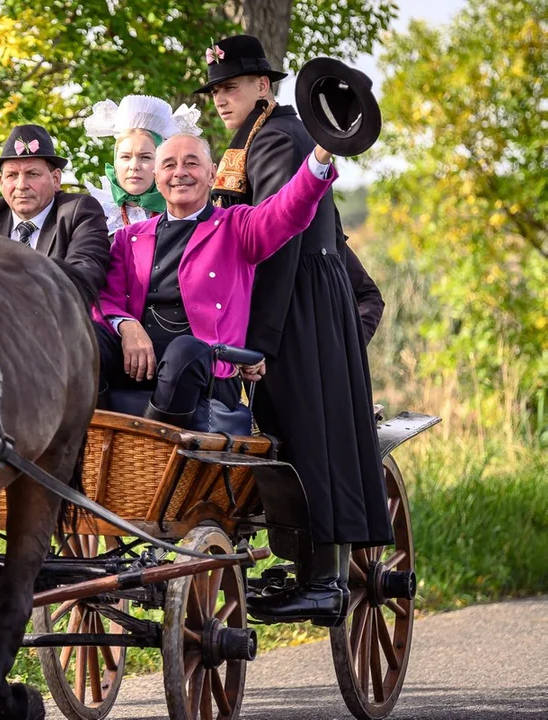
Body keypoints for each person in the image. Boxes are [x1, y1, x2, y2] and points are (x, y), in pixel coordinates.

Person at [197, 34, 390, 625]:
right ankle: (305, 567)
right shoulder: (255, 137)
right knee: (290, 429)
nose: (221, 99)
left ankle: (323, 583)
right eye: (216, 91)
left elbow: (278, 244)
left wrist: (258, 344)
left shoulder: (278, 137)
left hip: (298, 302)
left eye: (231, 87)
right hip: (302, 297)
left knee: (305, 432)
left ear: (263, 85)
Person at [94, 132, 338, 429]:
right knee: (87, 338)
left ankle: (150, 443)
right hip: (137, 366)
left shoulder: (236, 227)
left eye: (191, 163)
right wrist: (127, 326)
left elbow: (286, 211)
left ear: (212, 174)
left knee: (185, 351)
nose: (180, 173)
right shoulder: (127, 238)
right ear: (157, 178)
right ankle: (93, 436)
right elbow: (106, 300)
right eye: (169, 165)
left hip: (206, 371)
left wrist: (321, 156)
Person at [0, 124, 110, 296]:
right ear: (1, 181)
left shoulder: (79, 211)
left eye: (32, 174)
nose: (21, 185)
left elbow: (84, 274)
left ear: (56, 179)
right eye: (12, 175)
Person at [81, 95, 203, 237]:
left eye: (145, 157)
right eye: (125, 157)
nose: (134, 166)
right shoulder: (94, 213)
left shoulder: (186, 214)